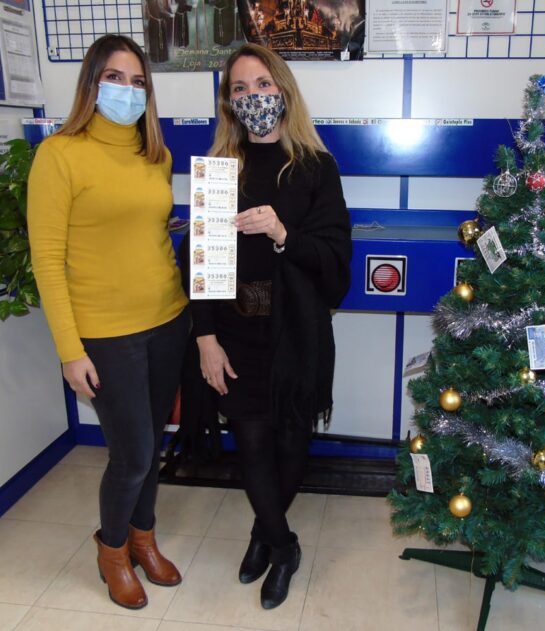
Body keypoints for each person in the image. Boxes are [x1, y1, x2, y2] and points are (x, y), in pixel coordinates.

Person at [28, 34, 189, 610]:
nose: (128, 90)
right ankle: (113, 550)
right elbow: (47, 260)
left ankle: (144, 539)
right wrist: (69, 350)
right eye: (115, 78)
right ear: (91, 84)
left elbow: (149, 233)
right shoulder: (59, 154)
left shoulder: (156, 155)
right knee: (133, 453)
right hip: (104, 333)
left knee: (154, 444)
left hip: (167, 319)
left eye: (138, 81)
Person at [189, 42, 351, 609]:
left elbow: (335, 265)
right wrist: (205, 339)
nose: (252, 96)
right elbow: (201, 269)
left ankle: (264, 533)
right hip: (235, 333)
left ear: (282, 90)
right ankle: (284, 547)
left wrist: (283, 234)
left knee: (290, 444)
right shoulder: (218, 171)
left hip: (297, 333)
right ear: (228, 103)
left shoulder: (315, 167)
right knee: (252, 444)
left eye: (261, 84)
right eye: (239, 88)